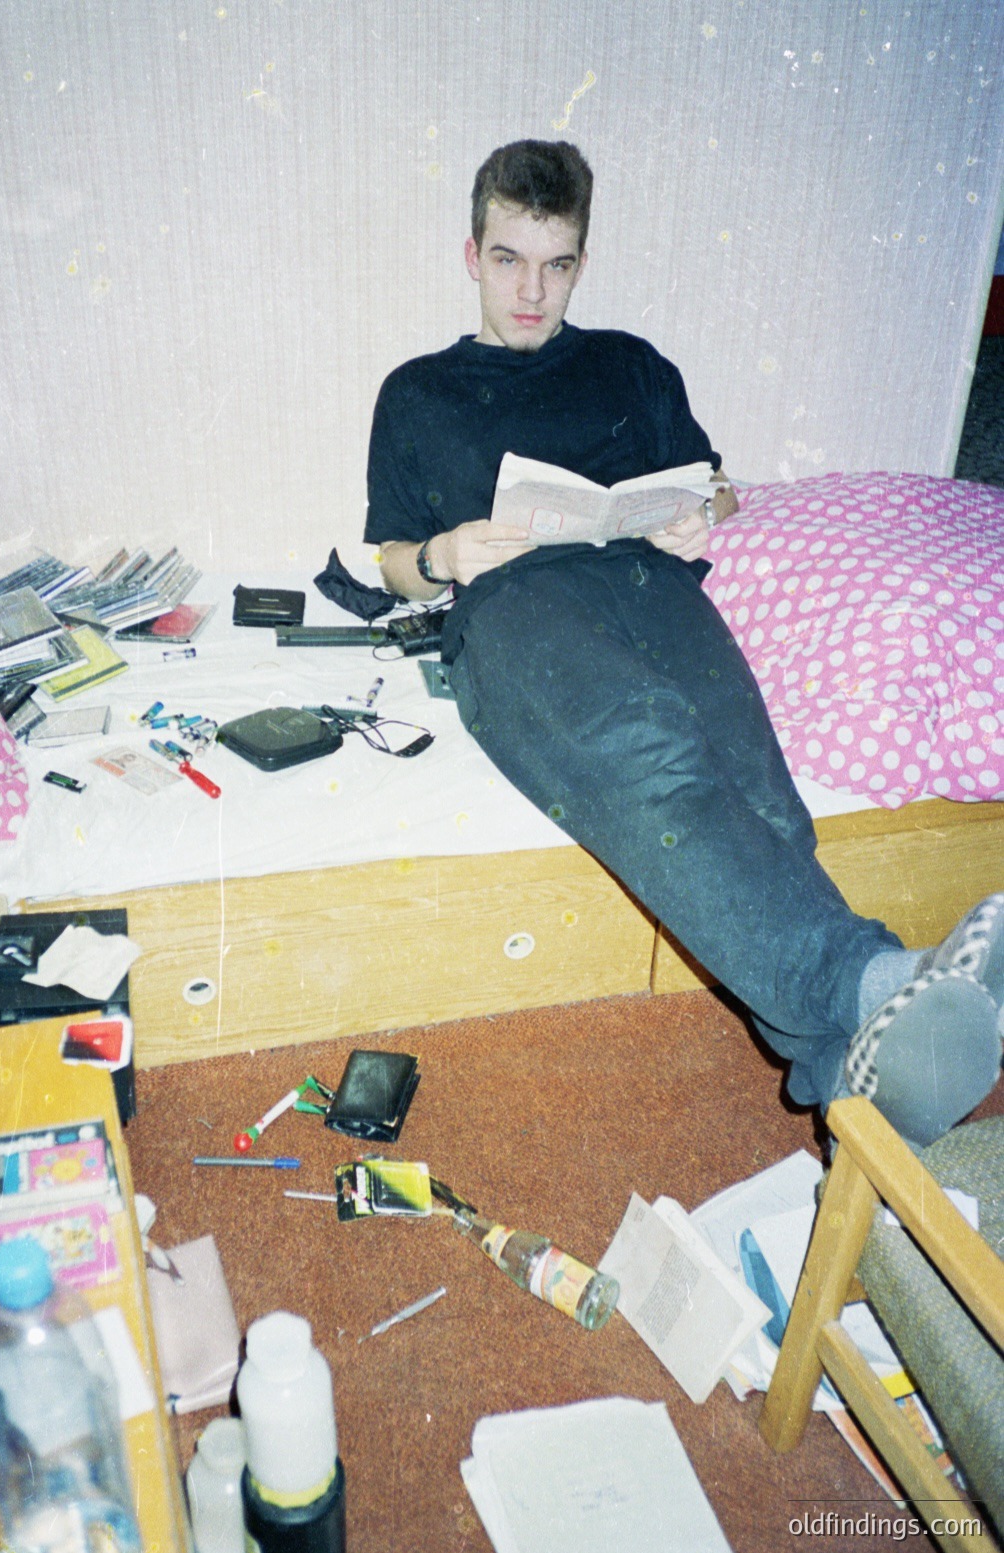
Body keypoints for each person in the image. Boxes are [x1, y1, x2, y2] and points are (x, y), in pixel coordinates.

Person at [364, 138, 1003, 1146]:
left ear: (581, 258)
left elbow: (717, 479)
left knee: (765, 799)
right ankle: (873, 975)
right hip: (514, 609)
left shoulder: (629, 364)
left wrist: (699, 512)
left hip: (650, 584)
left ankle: (852, 1085)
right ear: (471, 253)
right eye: (508, 259)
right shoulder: (416, 392)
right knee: (649, 749)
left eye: (557, 262)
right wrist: (442, 551)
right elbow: (388, 559)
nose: (532, 289)